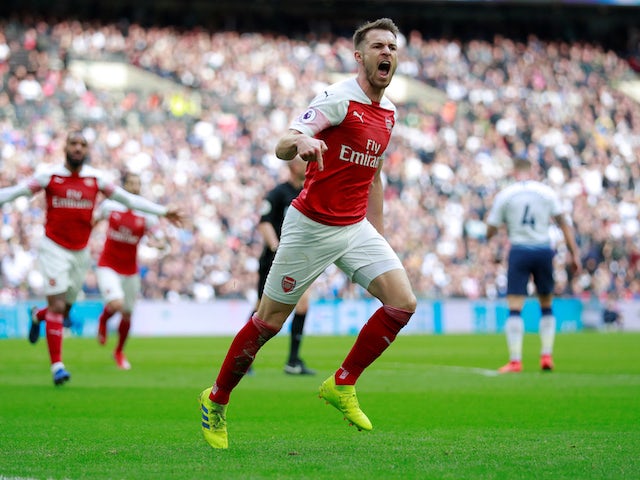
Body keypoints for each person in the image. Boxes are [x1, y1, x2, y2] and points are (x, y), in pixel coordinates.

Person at [199, 18, 417, 449]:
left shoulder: (389, 112)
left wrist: (380, 234)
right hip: (310, 227)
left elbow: (373, 176)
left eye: (392, 46)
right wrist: (300, 142)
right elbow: (284, 141)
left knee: (403, 303)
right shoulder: (338, 98)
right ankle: (216, 399)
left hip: (354, 227)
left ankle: (342, 383)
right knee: (268, 323)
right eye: (378, 46)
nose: (386, 53)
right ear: (361, 56)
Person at [0, 130, 182, 385]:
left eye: (82, 145)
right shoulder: (49, 176)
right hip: (53, 247)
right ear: (65, 148)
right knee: (57, 306)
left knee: (64, 309)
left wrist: (163, 211)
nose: (77, 148)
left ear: (86, 151)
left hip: (80, 252)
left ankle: (36, 316)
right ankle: (57, 367)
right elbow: (17, 192)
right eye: (73, 144)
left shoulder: (96, 179)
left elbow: (127, 199)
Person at [485, 157, 581, 373]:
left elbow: (490, 229)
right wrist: (574, 254)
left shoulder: (506, 194)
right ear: (531, 170)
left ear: (514, 171)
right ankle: (546, 355)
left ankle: (516, 360)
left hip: (519, 250)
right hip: (543, 250)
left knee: (515, 305)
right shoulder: (546, 192)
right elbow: (563, 223)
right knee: (546, 302)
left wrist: (500, 228)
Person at [92, 171, 171, 370]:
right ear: (124, 186)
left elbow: (156, 236)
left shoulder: (145, 213)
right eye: (131, 183)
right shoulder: (110, 206)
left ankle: (118, 351)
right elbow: (93, 221)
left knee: (127, 313)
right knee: (117, 304)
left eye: (138, 184)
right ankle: (104, 319)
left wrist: (160, 244)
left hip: (130, 269)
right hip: (108, 265)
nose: (135, 187)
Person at [250, 157, 315, 376]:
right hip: (274, 258)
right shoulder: (279, 193)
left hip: (299, 259)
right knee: (261, 309)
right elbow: (265, 221)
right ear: (294, 167)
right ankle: (244, 357)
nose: (310, 165)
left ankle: (293, 361)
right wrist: (275, 246)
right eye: (305, 162)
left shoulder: (309, 192)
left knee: (303, 304)